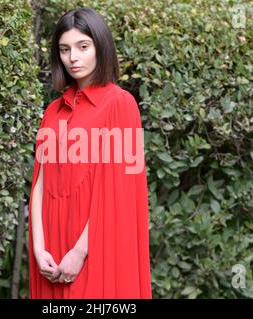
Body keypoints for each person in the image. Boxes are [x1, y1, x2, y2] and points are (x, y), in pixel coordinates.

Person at [28, 7, 152, 299]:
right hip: (51, 250)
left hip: (96, 245)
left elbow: (118, 193)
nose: (73, 58)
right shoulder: (52, 112)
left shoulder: (120, 104)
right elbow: (40, 182)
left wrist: (80, 252)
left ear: (100, 47)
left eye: (83, 47)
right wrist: (38, 246)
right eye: (65, 49)